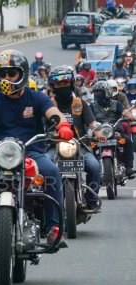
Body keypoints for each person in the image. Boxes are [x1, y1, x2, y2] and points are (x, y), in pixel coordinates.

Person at [0, 50, 72, 248]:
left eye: (11, 73)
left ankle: (53, 228)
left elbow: (54, 112)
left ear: (22, 73)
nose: (6, 78)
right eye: (2, 74)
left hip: (31, 152)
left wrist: (63, 125)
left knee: (51, 171)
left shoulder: (37, 97)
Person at [45, 66, 103, 210]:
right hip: (54, 146)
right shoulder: (48, 105)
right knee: (44, 167)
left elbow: (92, 122)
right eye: (59, 84)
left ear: (70, 84)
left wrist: (100, 132)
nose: (62, 87)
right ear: (53, 86)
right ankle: (46, 204)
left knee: (95, 167)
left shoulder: (79, 103)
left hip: (80, 146)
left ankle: (91, 201)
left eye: (65, 84)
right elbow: (40, 126)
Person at [88, 81, 136, 178]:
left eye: (100, 92)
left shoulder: (117, 104)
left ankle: (128, 167)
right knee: (88, 147)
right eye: (96, 92)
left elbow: (125, 113)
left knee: (128, 141)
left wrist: (131, 117)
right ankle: (92, 171)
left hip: (116, 132)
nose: (97, 94)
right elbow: (87, 118)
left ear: (107, 92)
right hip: (98, 134)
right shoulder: (92, 106)